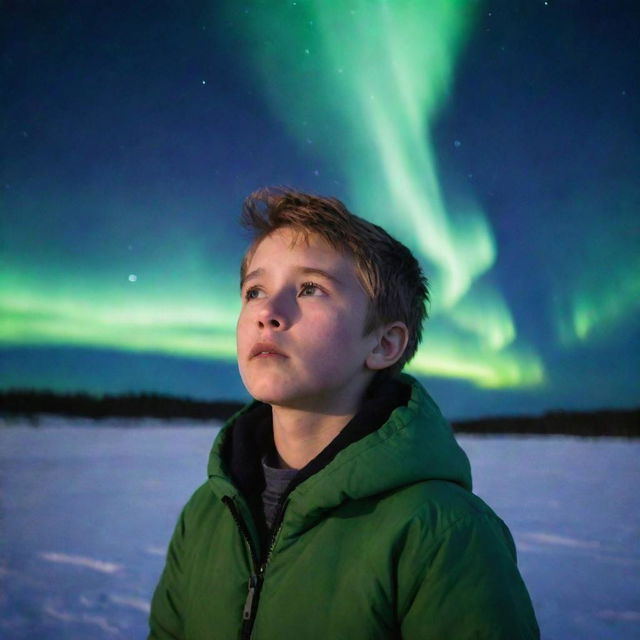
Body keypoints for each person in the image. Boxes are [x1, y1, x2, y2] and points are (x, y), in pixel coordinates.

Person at [148, 187, 540, 639]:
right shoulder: (207, 513)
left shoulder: (442, 532)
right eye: (255, 290)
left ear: (383, 343)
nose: (268, 312)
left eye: (310, 288)